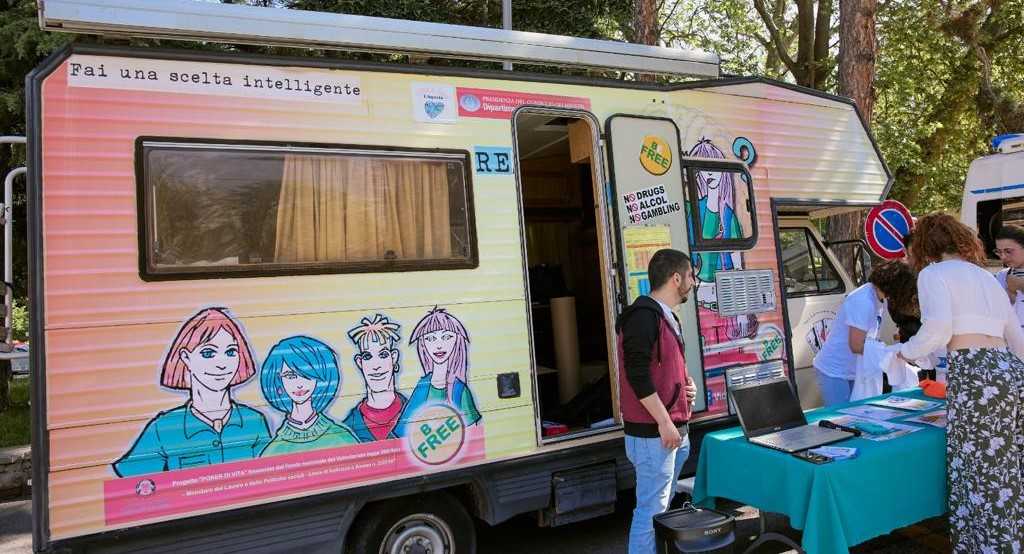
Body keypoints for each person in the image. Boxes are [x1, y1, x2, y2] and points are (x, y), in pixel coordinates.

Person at [898, 213, 1024, 552]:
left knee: (980, 476)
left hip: (976, 376)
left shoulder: (933, 274)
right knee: (1008, 473)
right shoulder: (986, 277)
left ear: (926, 245)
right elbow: (1017, 338)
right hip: (1009, 371)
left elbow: (937, 330)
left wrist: (903, 352)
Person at [113, 307, 271, 477]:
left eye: (231, 352)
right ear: (186, 358)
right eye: (208, 353)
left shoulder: (254, 421)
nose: (222, 364)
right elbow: (134, 483)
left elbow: (268, 476)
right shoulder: (164, 427)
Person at [615, 248, 697, 554]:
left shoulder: (666, 316)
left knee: (659, 510)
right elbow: (636, 375)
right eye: (690, 276)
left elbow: (662, 368)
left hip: (672, 430)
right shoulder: (642, 317)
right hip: (654, 435)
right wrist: (664, 421)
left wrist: (686, 387)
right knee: (650, 512)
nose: (693, 282)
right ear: (676, 278)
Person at [812, 260, 916, 406]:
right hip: (835, 371)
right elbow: (856, 345)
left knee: (856, 414)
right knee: (841, 417)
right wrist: (890, 352)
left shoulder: (876, 296)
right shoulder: (864, 301)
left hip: (853, 369)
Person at [259, 335, 359, 456]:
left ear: (320, 378)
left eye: (306, 375)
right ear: (278, 381)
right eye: (290, 376)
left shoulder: (341, 438)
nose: (299, 384)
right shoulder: (273, 450)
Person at [402, 306, 482, 428]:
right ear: (423, 344)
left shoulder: (459, 390)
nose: (439, 345)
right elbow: (404, 428)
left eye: (446, 337)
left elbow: (472, 433)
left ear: (457, 341)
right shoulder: (423, 386)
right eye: (430, 338)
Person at [343, 314, 409, 441]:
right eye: (367, 356)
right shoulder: (348, 428)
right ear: (360, 362)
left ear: (394, 357)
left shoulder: (415, 413)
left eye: (383, 355)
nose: (376, 366)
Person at [993, 224, 1024, 328]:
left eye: (1008, 251)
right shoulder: (1001, 277)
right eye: (999, 252)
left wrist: (1021, 286)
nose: (1003, 257)